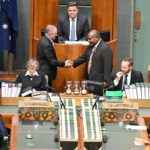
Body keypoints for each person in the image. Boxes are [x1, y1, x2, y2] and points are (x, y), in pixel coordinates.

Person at [69, 30, 113, 95]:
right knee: (89, 96)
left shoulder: (105, 48)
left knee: (97, 98)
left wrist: (105, 80)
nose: (88, 41)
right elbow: (83, 57)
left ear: (96, 37)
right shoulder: (90, 46)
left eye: (90, 39)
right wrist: (73, 62)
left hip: (99, 80)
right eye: (88, 39)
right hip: (88, 78)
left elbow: (108, 66)